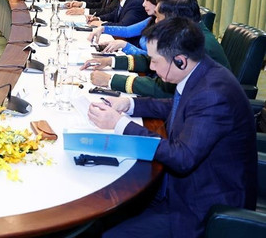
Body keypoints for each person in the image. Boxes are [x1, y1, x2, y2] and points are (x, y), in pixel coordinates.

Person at [87, 18, 256, 237]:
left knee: (109, 232)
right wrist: (129, 104)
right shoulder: (200, 72)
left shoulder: (213, 94)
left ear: (180, 61)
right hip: (178, 185)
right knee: (102, 213)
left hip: (202, 206)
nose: (151, 67)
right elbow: (177, 105)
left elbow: (182, 158)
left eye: (154, 61)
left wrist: (119, 124)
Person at [82, 0, 231, 98]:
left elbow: (164, 89)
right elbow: (150, 60)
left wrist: (111, 80)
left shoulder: (196, 44)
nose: (156, 22)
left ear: (173, 19)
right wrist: (110, 61)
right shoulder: (186, 33)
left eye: (158, 17)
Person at [88, 0, 175, 55]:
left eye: (147, 0)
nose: (143, 4)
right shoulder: (151, 20)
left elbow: (154, 58)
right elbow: (127, 31)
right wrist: (103, 29)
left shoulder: (172, 29)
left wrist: (125, 46)